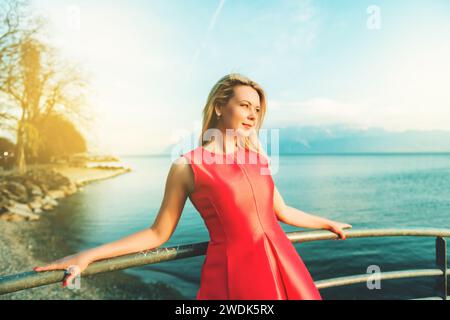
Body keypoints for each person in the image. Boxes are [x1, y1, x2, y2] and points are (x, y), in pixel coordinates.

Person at [34, 73, 352, 300]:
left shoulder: (258, 158)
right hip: (235, 273)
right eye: (244, 106)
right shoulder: (188, 165)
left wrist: (327, 222)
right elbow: (158, 233)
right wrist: (89, 256)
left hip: (284, 262)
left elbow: (280, 211)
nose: (252, 115)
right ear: (218, 107)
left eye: (257, 109)